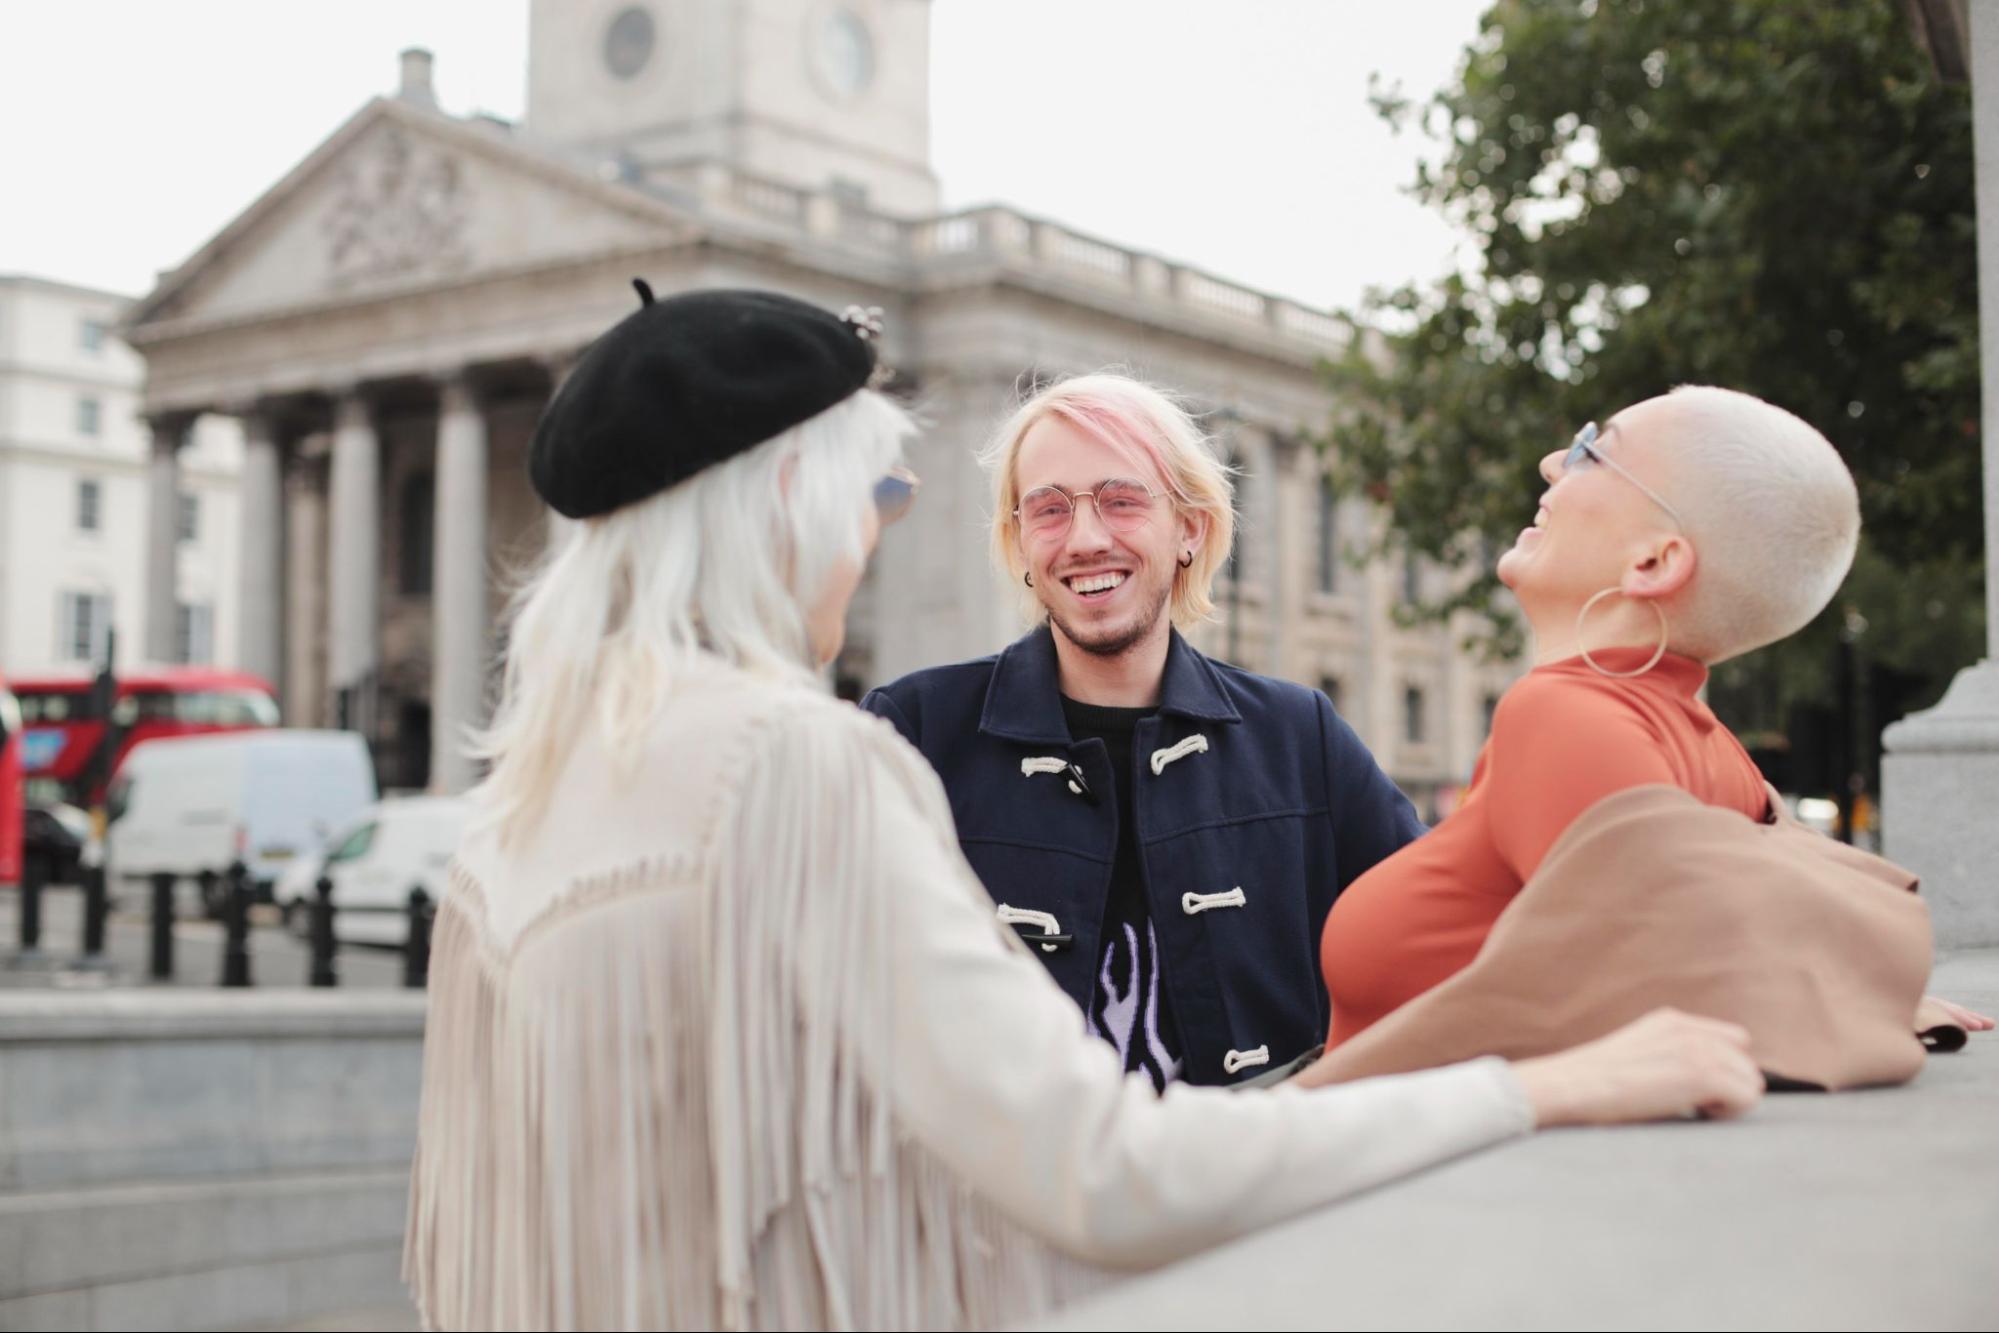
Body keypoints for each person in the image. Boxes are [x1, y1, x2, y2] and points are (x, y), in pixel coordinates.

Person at [404, 290, 1766, 1333]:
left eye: (1118, 500)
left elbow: (463, 1245)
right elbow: (1096, 1166)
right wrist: (1537, 1090)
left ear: (1186, 529)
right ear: (783, 500)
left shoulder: (515, 804)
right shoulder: (800, 762)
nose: (872, 533)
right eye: (872, 493)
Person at [1308, 386, 1994, 1060]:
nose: (1552, 462)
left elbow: (1660, 967)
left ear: (1652, 562)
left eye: (1590, 452)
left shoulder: (1561, 715)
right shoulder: (1709, 743)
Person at [863, 373, 1421, 1090]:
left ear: (1189, 527)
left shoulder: (1298, 739)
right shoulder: (915, 731)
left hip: (1248, 1190)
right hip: (994, 1195)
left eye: (1122, 501)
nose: (1085, 539)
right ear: (1020, 541)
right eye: (1049, 509)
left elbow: (1428, 949)